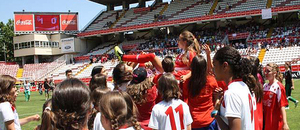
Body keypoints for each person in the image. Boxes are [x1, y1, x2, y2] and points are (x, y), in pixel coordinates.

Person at [212, 46, 259, 130]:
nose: (213, 69)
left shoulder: (231, 93)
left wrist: (216, 114)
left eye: (214, 65)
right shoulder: (243, 85)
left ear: (225, 66)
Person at [183, 55, 219, 130]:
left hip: (194, 121)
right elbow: (216, 97)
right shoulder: (211, 80)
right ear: (205, 67)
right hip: (209, 119)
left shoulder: (187, 82)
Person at [263, 63, 289, 130]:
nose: (266, 73)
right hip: (265, 122)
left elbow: (282, 106)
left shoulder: (279, 87)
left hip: (275, 123)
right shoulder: (264, 86)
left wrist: (285, 123)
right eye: (265, 71)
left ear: (274, 72)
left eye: (268, 71)